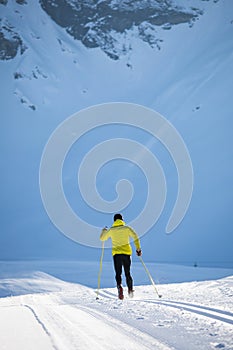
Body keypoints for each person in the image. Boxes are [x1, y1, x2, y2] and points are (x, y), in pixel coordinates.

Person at [100, 213, 142, 300]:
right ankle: (130, 290)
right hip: (126, 254)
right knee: (128, 273)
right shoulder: (127, 228)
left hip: (116, 254)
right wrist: (138, 249)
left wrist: (104, 231)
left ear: (114, 220)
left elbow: (102, 238)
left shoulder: (111, 230)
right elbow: (135, 236)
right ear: (122, 220)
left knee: (118, 273)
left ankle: (119, 287)